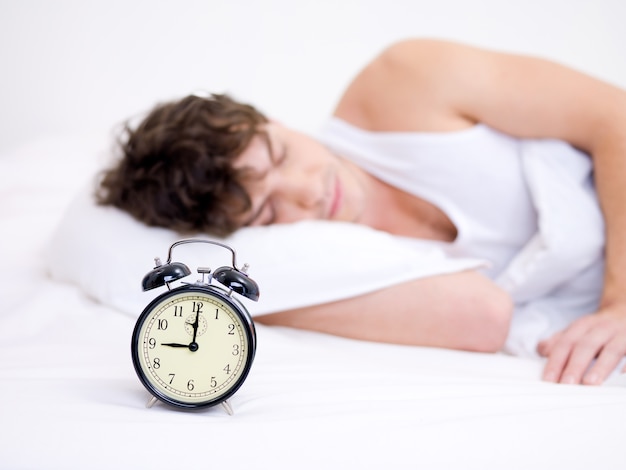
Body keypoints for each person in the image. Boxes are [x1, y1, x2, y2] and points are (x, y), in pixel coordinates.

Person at [97, 38, 626, 386]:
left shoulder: (404, 79)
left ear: (272, 119)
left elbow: (614, 116)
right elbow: (483, 318)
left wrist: (618, 304)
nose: (306, 192)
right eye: (265, 212)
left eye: (279, 155)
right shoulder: (340, 258)